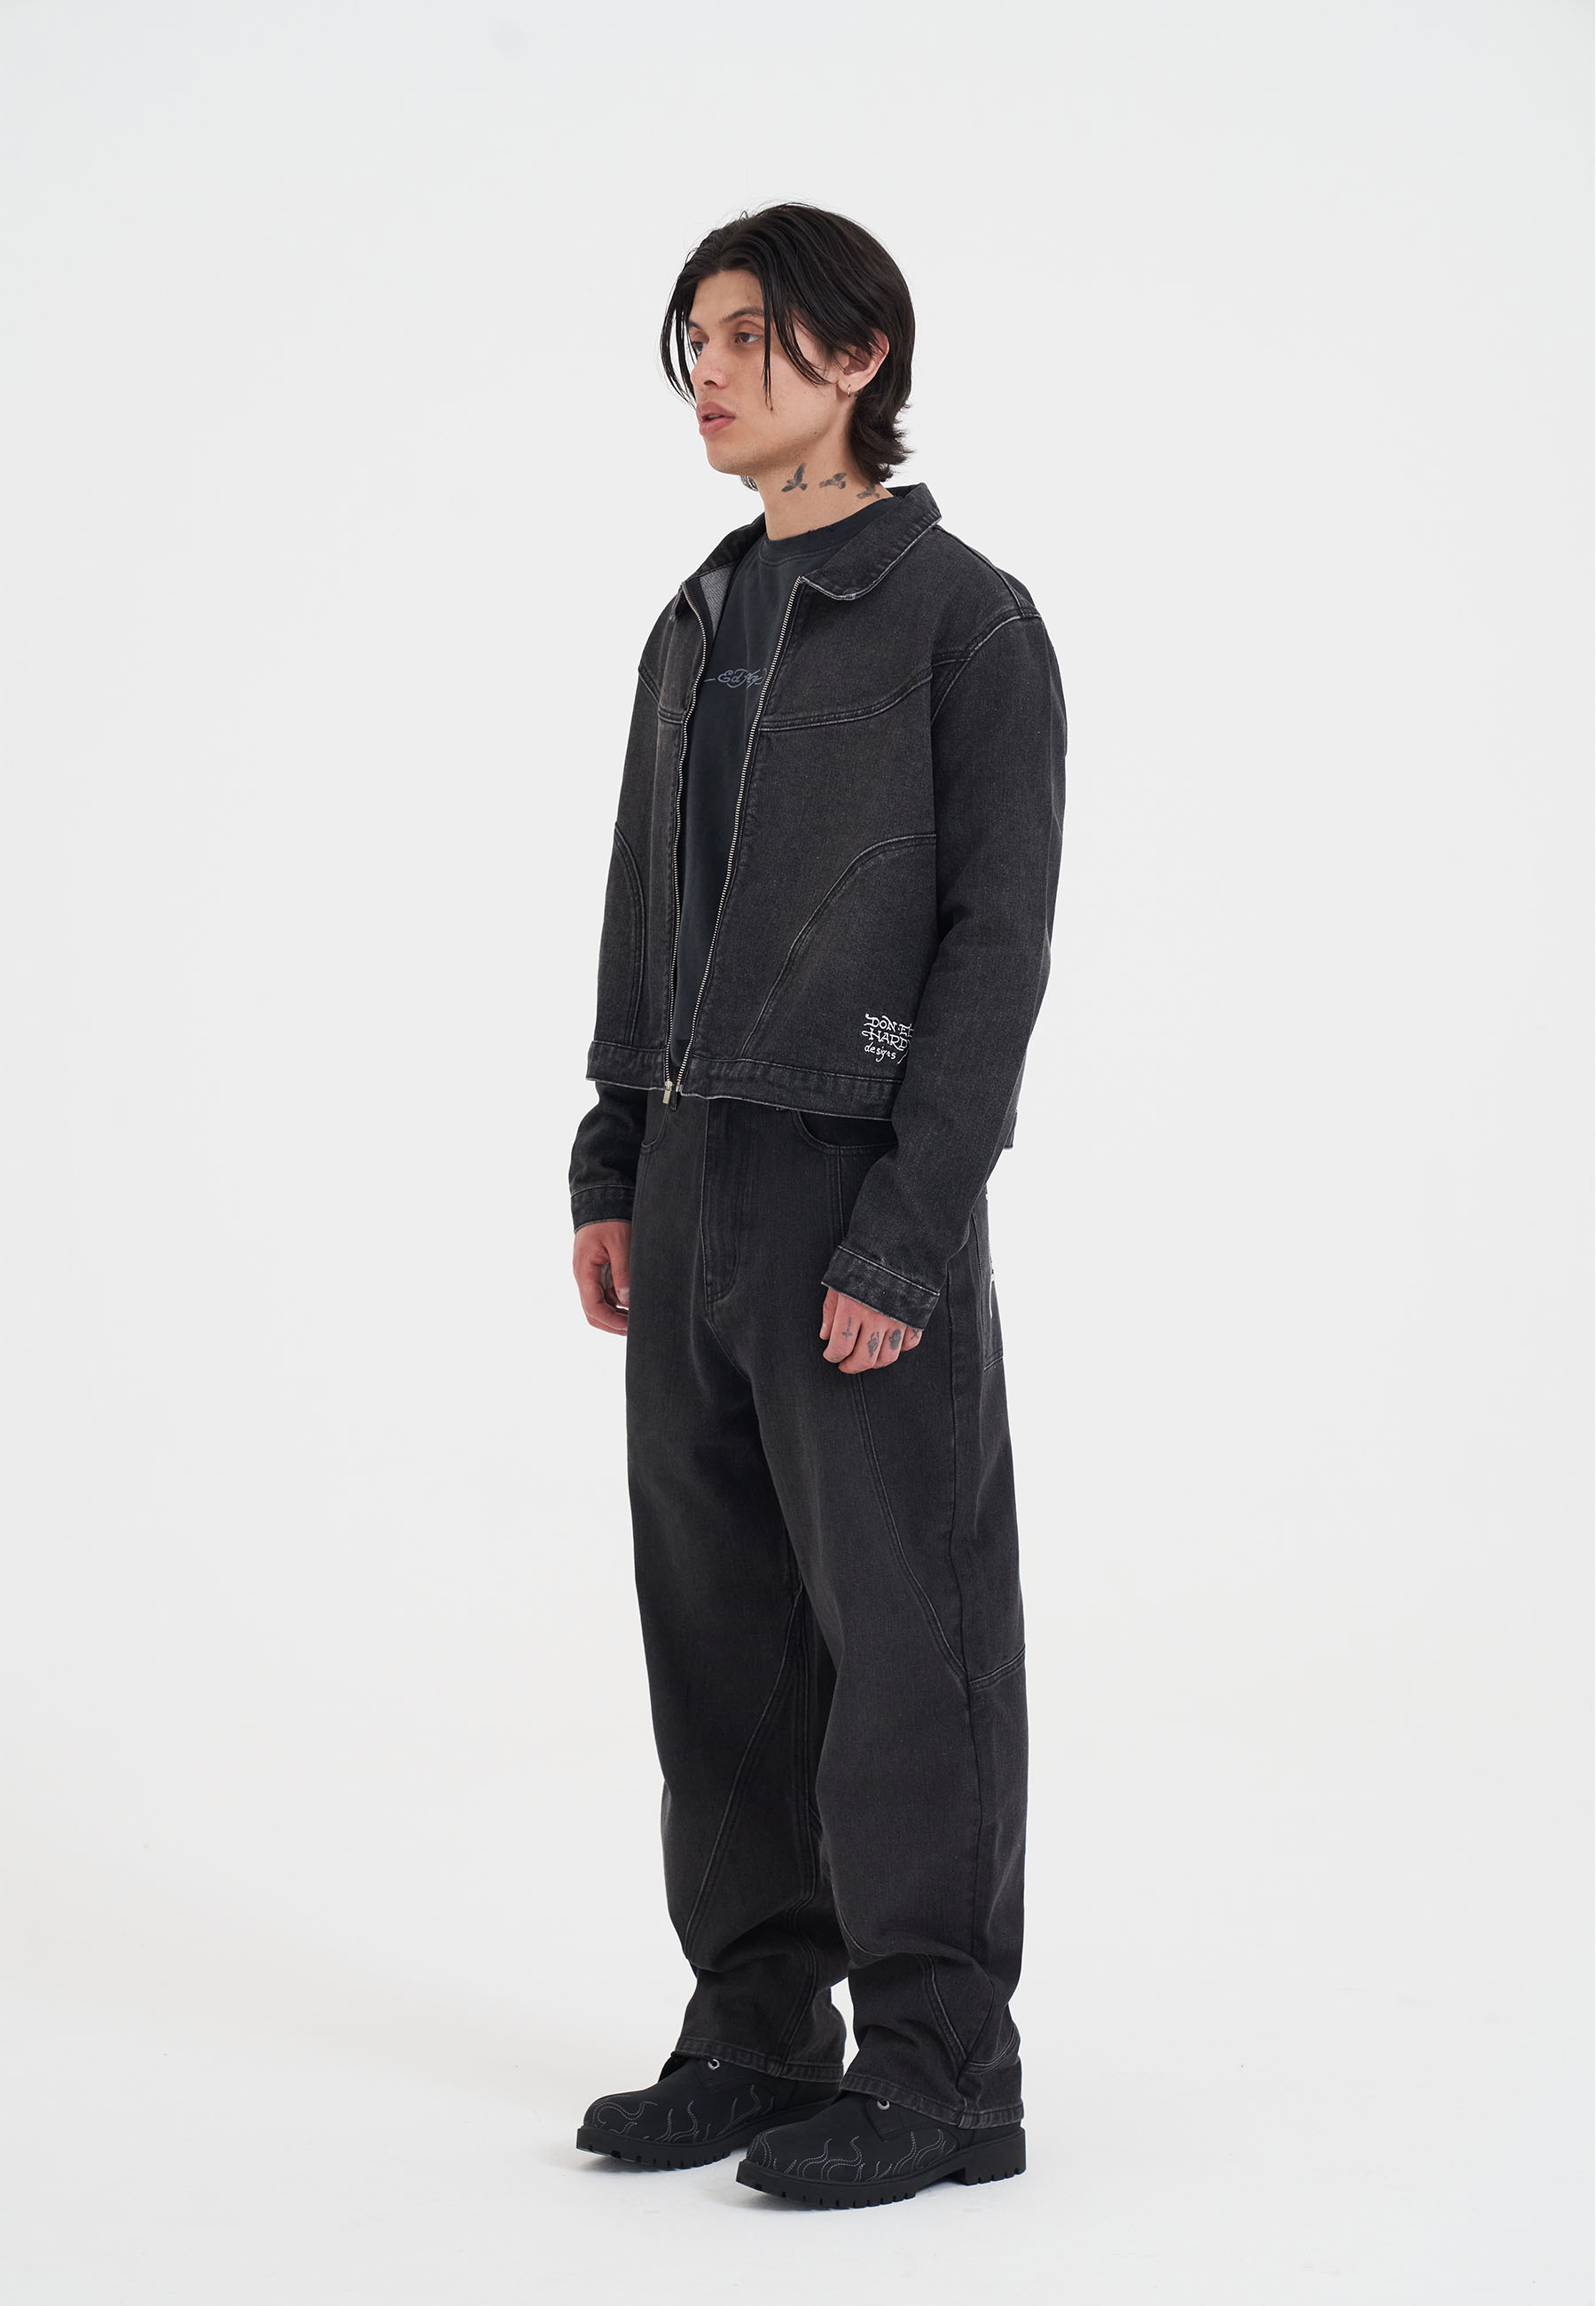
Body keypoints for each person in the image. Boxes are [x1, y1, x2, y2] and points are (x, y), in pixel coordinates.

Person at [567, 203, 1068, 2211]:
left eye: (748, 335)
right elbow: (646, 899)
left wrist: (909, 1226)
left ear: (859, 357)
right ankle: (761, 2026)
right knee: (719, 1632)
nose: (710, 372)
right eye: (694, 339)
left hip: (855, 1175)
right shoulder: (695, 619)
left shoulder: (965, 621)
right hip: (691, 1175)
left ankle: (946, 2072)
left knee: (907, 1629)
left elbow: (994, 952)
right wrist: (614, 1156)